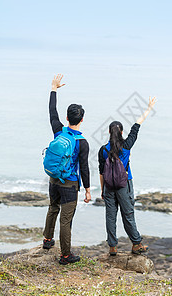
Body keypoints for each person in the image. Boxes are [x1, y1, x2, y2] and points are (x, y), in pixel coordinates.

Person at [98, 97, 157, 255]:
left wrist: (103, 190)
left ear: (109, 132)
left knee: (110, 217)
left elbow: (102, 171)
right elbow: (136, 126)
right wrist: (148, 109)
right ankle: (136, 244)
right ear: (121, 132)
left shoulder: (103, 150)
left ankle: (112, 247)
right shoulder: (127, 145)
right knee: (128, 213)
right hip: (125, 184)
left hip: (109, 187)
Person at [43, 74, 91, 265]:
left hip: (54, 179)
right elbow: (85, 169)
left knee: (52, 208)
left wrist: (53, 89)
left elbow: (51, 111)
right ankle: (65, 255)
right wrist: (87, 190)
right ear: (82, 120)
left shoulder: (58, 130)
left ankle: (47, 240)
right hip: (70, 184)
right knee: (66, 220)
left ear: (66, 118)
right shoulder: (82, 143)